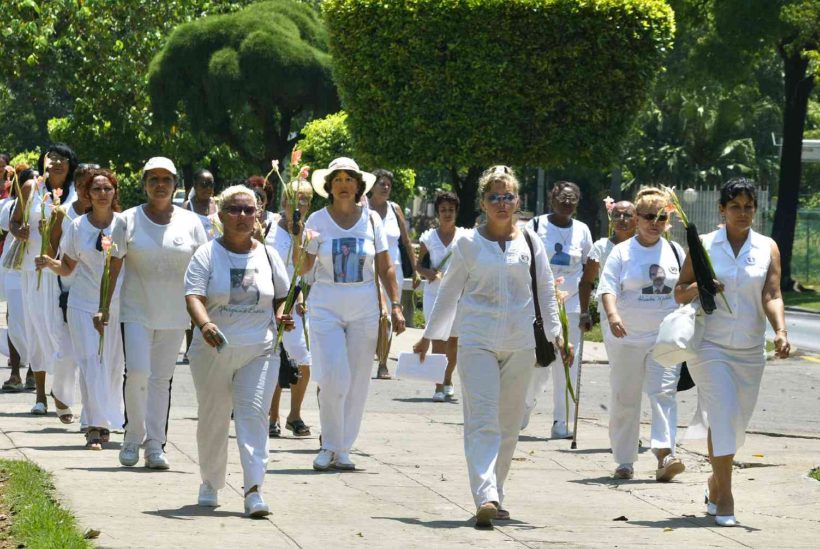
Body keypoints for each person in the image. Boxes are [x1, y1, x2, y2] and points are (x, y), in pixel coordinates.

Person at [413, 166, 566, 528]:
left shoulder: (530, 241)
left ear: (517, 201)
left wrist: (557, 335)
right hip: (477, 340)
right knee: (482, 421)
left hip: (520, 343)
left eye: (508, 196)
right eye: (494, 197)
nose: (502, 203)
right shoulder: (468, 243)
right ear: (483, 202)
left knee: (509, 425)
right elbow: (449, 293)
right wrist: (428, 335)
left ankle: (497, 490)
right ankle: (485, 495)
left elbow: (544, 288)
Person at [676, 178, 790, 527]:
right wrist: (701, 286)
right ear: (721, 210)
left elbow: (771, 295)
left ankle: (715, 481)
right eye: (736, 206)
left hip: (750, 350)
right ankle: (725, 496)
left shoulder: (767, 247)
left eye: (749, 206)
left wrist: (780, 331)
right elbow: (680, 292)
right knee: (723, 413)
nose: (743, 213)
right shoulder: (704, 245)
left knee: (736, 423)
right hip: (710, 346)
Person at [185, 185, 293, 517]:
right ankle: (211, 481)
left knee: (253, 417)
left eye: (249, 210)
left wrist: (282, 315)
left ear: (258, 215)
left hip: (260, 349)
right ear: (220, 215)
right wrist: (205, 325)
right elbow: (193, 296)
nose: (242, 216)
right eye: (234, 209)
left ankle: (254, 490)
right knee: (214, 417)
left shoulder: (269, 254)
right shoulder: (207, 253)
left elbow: (283, 294)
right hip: (213, 350)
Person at [303, 157, 405, 471]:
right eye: (338, 180)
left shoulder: (372, 220)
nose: (344, 186)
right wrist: (301, 242)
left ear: (358, 185)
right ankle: (329, 444)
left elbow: (386, 266)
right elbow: (305, 269)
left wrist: (396, 304)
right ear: (329, 187)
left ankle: (343, 447)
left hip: (364, 304)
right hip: (326, 303)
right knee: (333, 376)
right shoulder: (316, 221)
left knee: (359, 379)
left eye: (349, 180)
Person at [118, 157, 208, 469]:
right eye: (153, 179)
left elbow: (203, 268)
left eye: (166, 180)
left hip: (174, 313)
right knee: (139, 372)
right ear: (144, 184)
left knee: (161, 379)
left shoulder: (191, 222)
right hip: (136, 309)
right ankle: (132, 436)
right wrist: (104, 309)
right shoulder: (127, 220)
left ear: (175, 185)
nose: (159, 185)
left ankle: (155, 445)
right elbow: (113, 266)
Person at [597, 187, 686, 482]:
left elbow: (685, 289)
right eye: (648, 216)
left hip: (665, 337)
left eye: (661, 217)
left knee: (663, 393)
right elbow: (607, 288)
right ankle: (624, 460)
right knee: (626, 397)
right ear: (636, 218)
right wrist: (612, 316)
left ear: (668, 220)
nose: (654, 223)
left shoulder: (675, 251)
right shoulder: (622, 253)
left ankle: (665, 454)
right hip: (627, 338)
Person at [35, 169, 126, 449]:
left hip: (114, 305)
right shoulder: (78, 226)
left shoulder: (123, 225)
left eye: (106, 189)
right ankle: (94, 426)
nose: (101, 194)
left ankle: (108, 418)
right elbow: (68, 267)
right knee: (89, 361)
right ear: (87, 194)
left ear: (114, 193)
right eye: (96, 189)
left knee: (111, 364)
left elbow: (119, 265)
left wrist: (106, 307)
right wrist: (49, 264)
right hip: (81, 303)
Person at [9, 144, 78, 415]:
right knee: (37, 328)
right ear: (44, 163)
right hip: (33, 268)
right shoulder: (31, 188)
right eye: (53, 159)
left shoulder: (77, 192)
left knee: (60, 332)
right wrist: (20, 231)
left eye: (63, 159)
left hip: (66, 268)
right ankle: (40, 396)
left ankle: (61, 391)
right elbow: (13, 222)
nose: (58, 163)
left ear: (71, 164)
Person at [524, 181, 593, 438]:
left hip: (571, 303)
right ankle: (525, 405)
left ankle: (561, 422)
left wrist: (585, 310)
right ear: (552, 199)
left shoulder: (583, 230)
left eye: (572, 199)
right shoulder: (536, 226)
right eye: (562, 198)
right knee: (538, 362)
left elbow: (588, 272)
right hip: (539, 304)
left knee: (567, 364)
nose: (567, 203)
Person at [265, 179, 314, 438]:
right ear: (285, 201)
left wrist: (298, 237)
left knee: (303, 358)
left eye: (305, 199)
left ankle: (294, 414)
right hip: (268, 299)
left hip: (293, 300)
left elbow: (302, 269)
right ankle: (271, 416)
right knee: (273, 357)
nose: (300, 204)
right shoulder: (269, 226)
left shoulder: (308, 233)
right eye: (295, 198)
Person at [367, 169, 416, 379]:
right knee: (371, 315)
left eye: (388, 184)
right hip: (369, 268)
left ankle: (383, 362)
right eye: (381, 184)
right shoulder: (363, 207)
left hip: (392, 269)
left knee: (387, 316)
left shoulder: (395, 209)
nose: (385, 187)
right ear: (372, 186)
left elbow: (406, 242)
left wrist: (415, 270)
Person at [416, 191, 464, 402]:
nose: (447, 214)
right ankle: (437, 385)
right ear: (437, 212)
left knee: (453, 340)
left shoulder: (465, 237)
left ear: (456, 212)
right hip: (434, 293)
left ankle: (447, 380)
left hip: (457, 295)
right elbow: (419, 265)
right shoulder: (428, 238)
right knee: (436, 339)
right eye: (443, 210)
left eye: (451, 210)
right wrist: (430, 273)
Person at [579, 200, 637, 339]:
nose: (622, 219)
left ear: (637, 219)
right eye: (616, 215)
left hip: (639, 311)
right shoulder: (601, 247)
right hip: (610, 314)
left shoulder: (645, 247)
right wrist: (584, 313)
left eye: (627, 215)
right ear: (611, 221)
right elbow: (587, 282)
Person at [0, 165, 33, 392]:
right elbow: (6, 227)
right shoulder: (9, 206)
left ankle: (33, 371)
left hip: (38, 267)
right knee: (15, 317)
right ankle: (15, 372)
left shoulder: (49, 206)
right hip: (14, 267)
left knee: (37, 318)